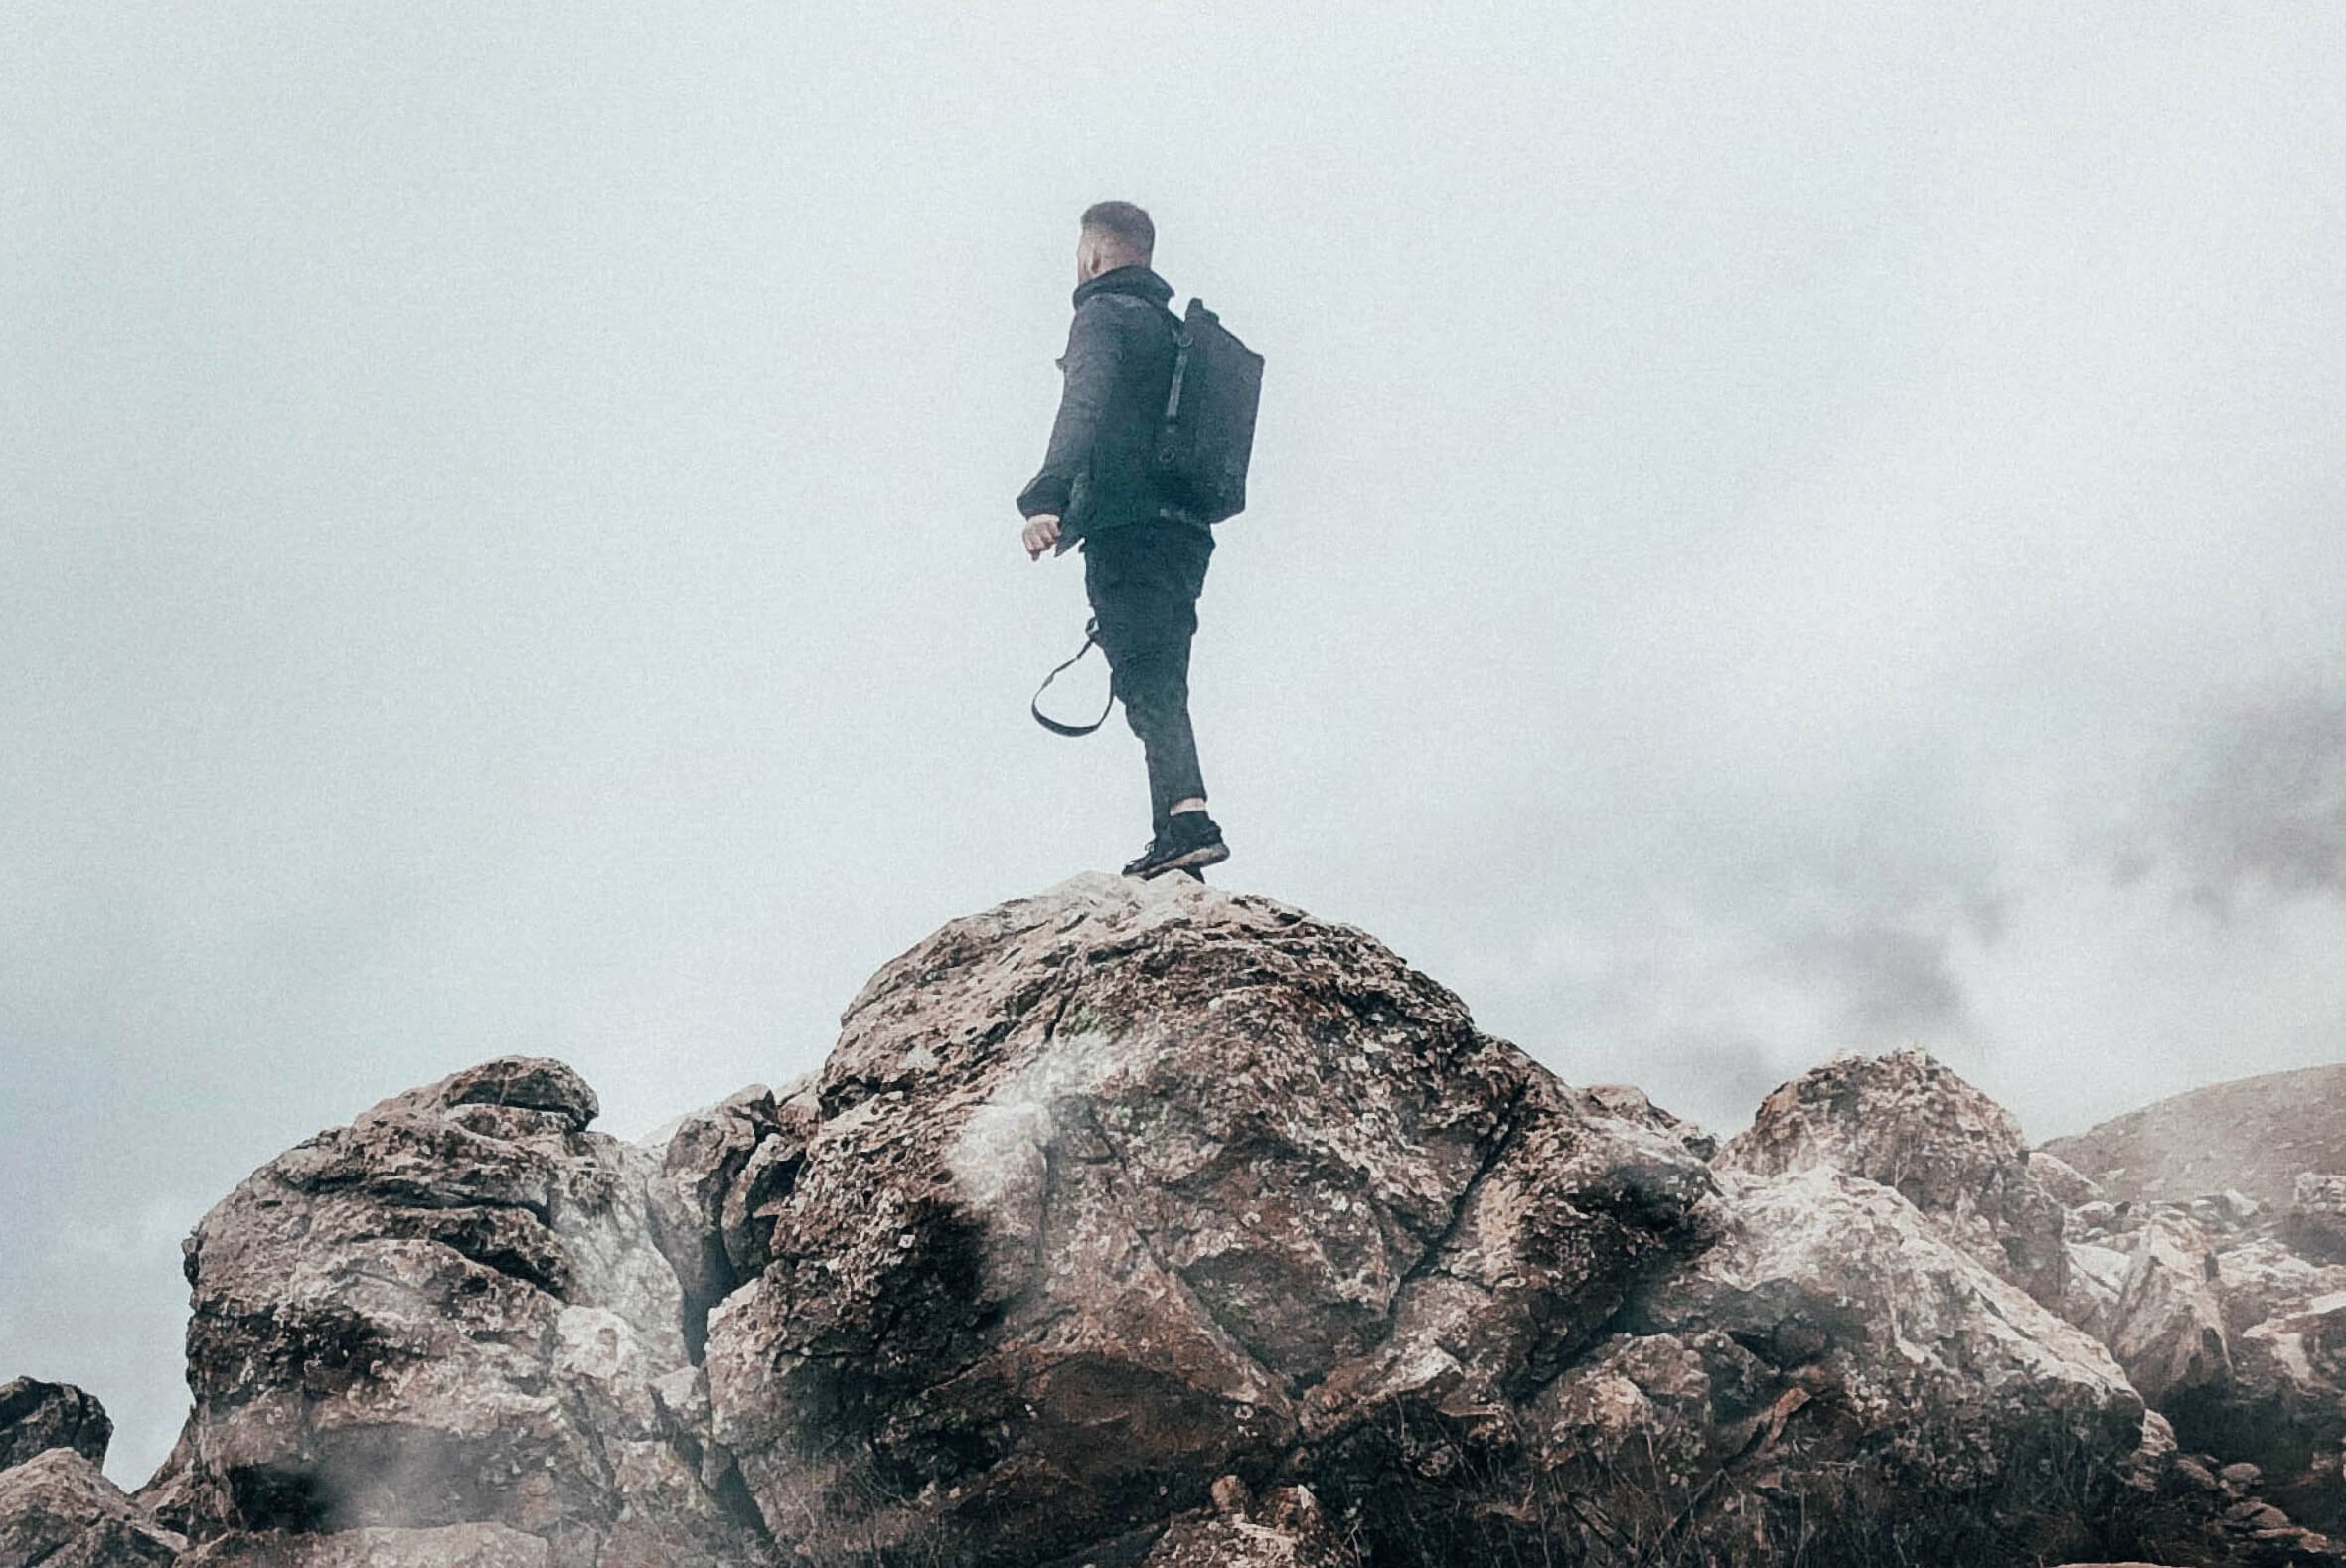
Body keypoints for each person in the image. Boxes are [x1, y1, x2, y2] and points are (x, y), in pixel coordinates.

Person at [1017, 201, 1230, 880]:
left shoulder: (1101, 316)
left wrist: (1045, 497)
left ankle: (1188, 822)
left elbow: (1081, 404)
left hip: (1126, 523)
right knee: (1160, 675)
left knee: (1148, 680)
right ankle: (1177, 833)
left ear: (1096, 255)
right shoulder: (1174, 331)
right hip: (1187, 528)